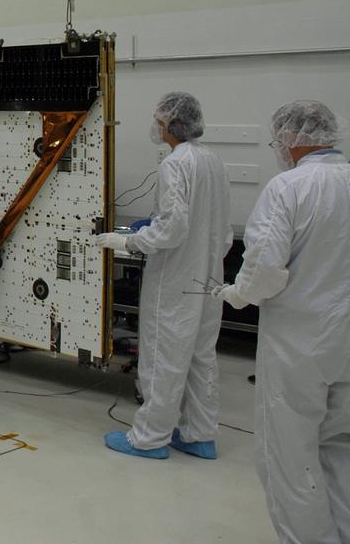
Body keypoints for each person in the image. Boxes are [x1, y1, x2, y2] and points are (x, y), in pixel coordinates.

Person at [214, 101, 349, 543]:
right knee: (341, 449)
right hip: (345, 343)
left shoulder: (289, 187)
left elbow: (265, 270)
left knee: (290, 458)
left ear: (290, 139)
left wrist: (237, 294)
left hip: (300, 346)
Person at [96, 92, 232, 460]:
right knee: (202, 359)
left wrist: (129, 242)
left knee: (162, 358)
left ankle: (150, 439)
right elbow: (221, 229)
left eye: (159, 121)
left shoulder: (175, 165)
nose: (155, 127)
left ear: (172, 124)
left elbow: (172, 229)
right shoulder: (213, 160)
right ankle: (199, 435)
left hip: (175, 279)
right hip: (209, 277)